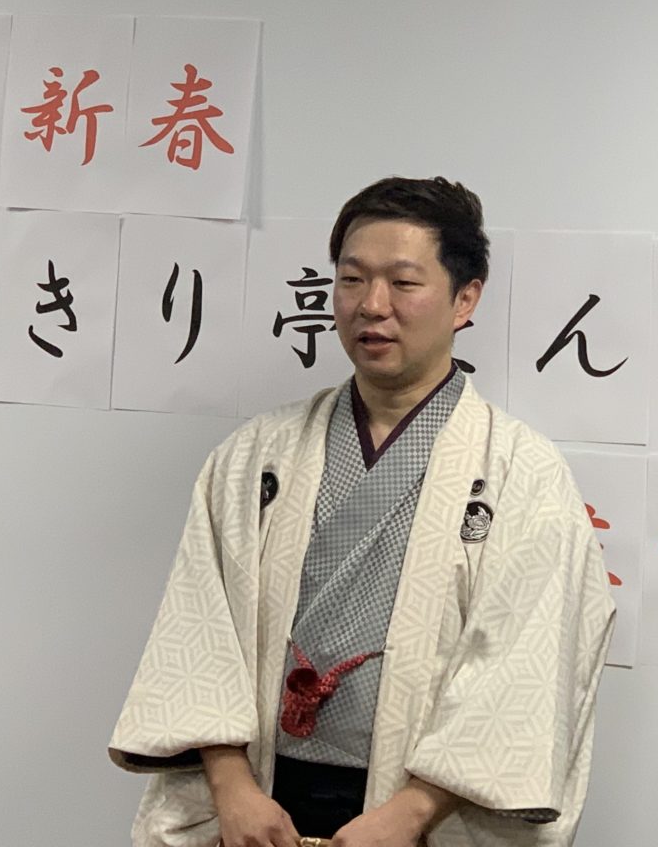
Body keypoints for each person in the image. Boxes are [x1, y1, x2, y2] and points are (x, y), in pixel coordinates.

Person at [108, 177, 615, 847]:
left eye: (403, 283)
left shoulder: (522, 472)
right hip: (259, 805)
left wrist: (410, 814)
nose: (372, 305)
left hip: (423, 814)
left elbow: (526, 662)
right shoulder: (256, 455)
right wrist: (233, 790)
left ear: (465, 299)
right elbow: (200, 628)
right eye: (352, 280)